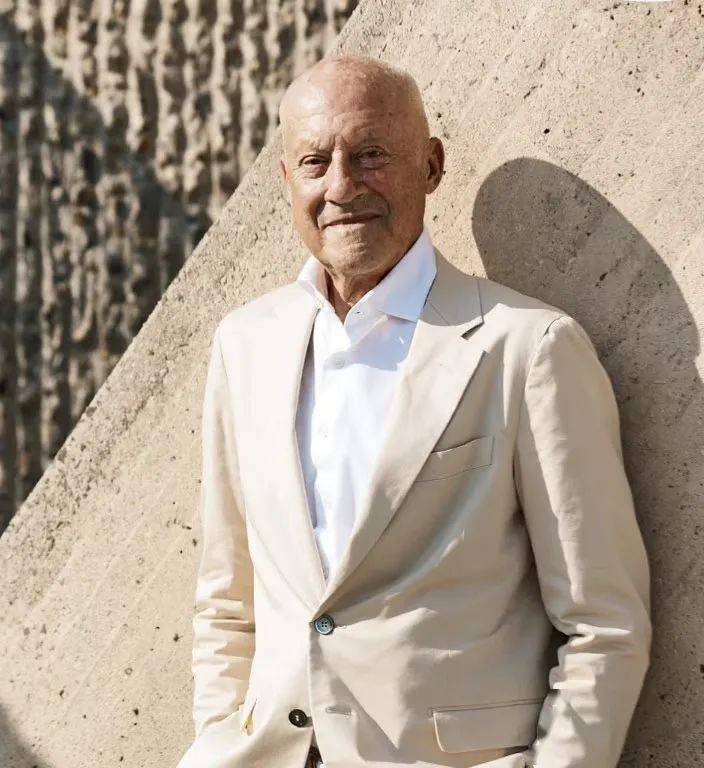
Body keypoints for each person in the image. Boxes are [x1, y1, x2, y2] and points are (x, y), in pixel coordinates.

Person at [175, 55, 652, 768]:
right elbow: (226, 600)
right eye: (314, 162)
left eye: (370, 155)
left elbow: (603, 625)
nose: (341, 186)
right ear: (286, 180)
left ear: (430, 165)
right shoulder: (245, 345)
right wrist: (219, 736)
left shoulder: (529, 349)